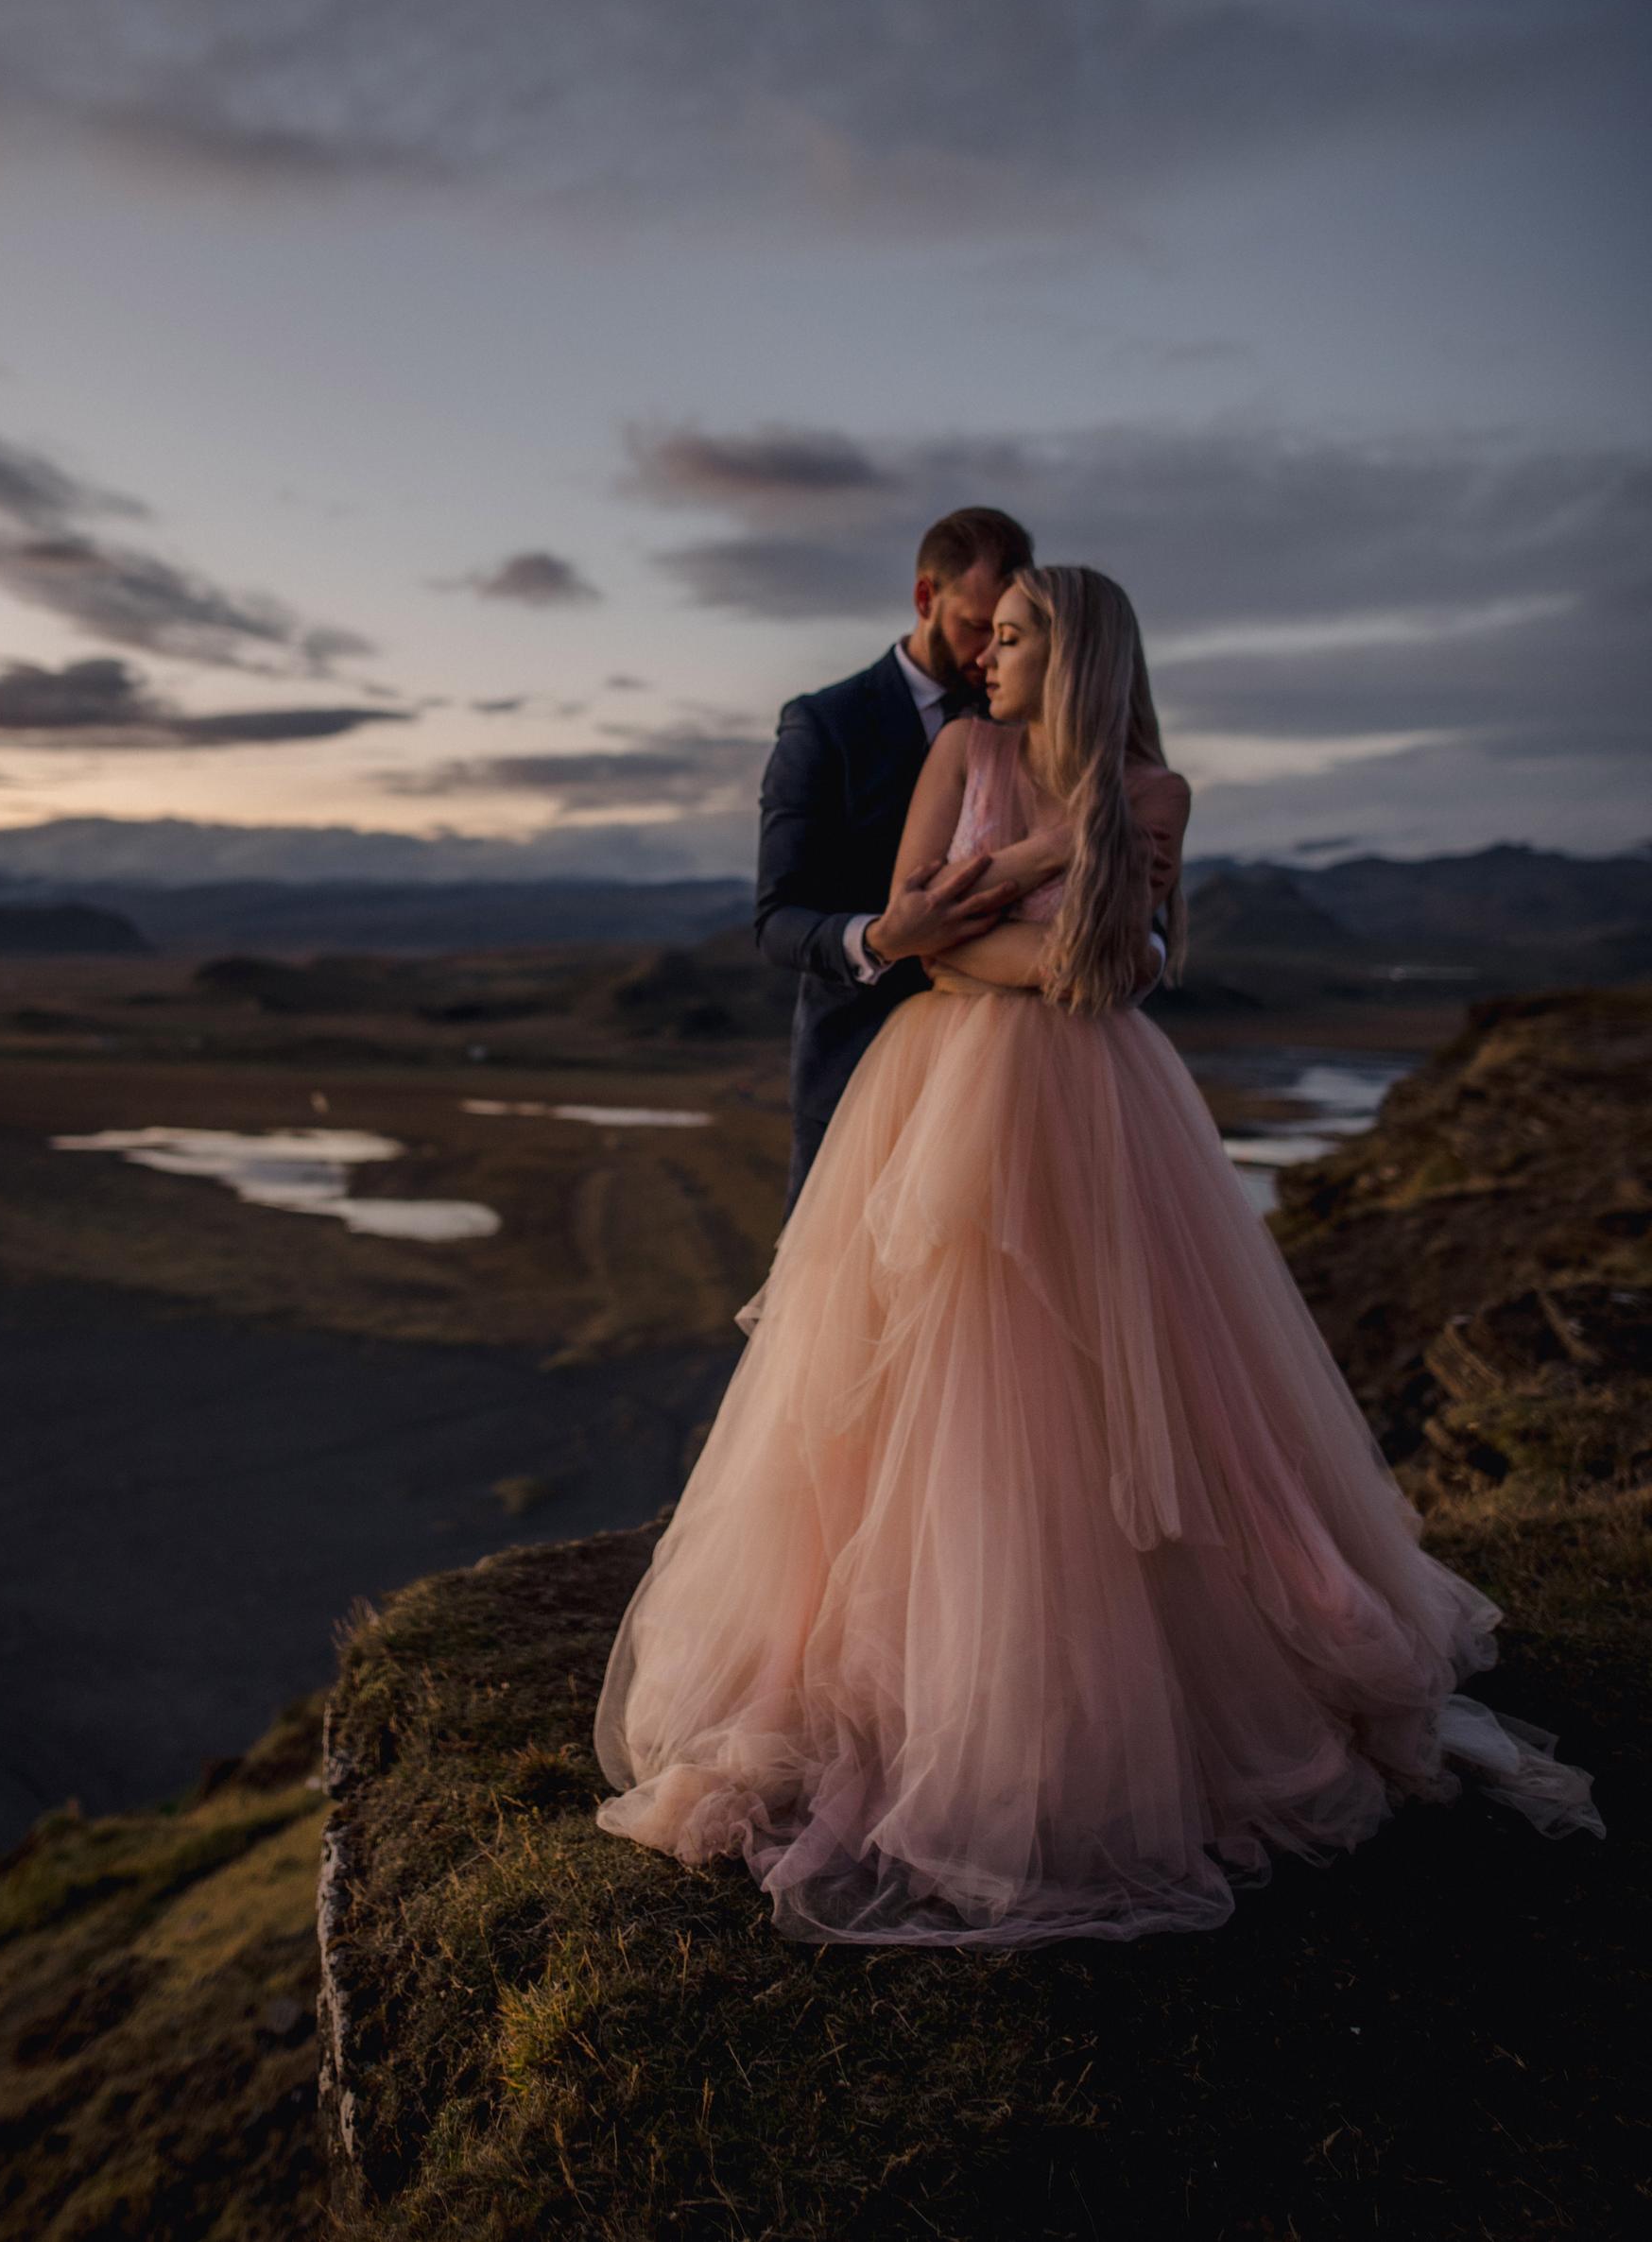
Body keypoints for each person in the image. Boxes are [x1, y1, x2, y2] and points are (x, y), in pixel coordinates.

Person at [594, 564, 1603, 1950]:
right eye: (988, 632)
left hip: (1096, 1104)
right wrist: (1030, 874)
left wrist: (1008, 928)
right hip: (940, 1098)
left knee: (1107, 1363)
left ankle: (1118, 1687)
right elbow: (919, 938)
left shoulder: (1153, 789)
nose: (987, 656)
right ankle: (914, 1676)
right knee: (930, 1370)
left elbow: (1121, 966)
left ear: (1073, 656)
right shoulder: (964, 751)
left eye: (1012, 638)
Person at [754, 505, 1057, 1215]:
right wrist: (885, 937)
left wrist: (1137, 948)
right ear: (925, 597)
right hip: (856, 1076)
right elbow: (777, 919)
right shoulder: (825, 724)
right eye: (975, 626)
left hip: (1011, 1087)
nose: (987, 655)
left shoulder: (1038, 721)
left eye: (1006, 632)